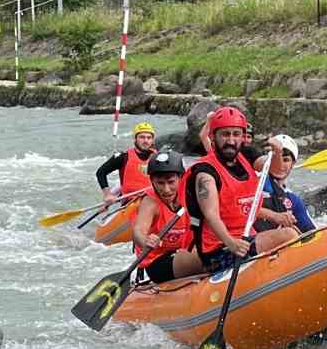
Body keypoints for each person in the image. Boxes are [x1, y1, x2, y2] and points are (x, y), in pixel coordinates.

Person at [186, 105, 298, 274]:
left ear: (243, 137)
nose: (231, 140)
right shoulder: (205, 173)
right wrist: (232, 243)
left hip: (245, 238)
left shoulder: (246, 156)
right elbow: (211, 215)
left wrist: (278, 151)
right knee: (288, 236)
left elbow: (274, 169)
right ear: (213, 137)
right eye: (225, 134)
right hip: (220, 249)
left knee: (292, 233)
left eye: (236, 134)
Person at [130, 151, 201, 284]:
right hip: (158, 262)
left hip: (183, 250)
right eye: (160, 183)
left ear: (181, 178)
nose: (166, 189)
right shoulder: (150, 202)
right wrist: (145, 241)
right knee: (205, 256)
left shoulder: (190, 194)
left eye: (171, 182)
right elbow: (138, 231)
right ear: (152, 181)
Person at [254, 133, 316, 235]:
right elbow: (258, 165)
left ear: (293, 164)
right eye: (277, 159)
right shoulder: (255, 182)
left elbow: (312, 232)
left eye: (286, 160)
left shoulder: (292, 199)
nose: (281, 164)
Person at [95, 121, 157, 203]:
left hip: (152, 200)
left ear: (152, 140)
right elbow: (101, 172)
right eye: (142, 137)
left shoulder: (158, 157)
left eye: (149, 138)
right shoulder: (123, 157)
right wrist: (108, 195)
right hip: (130, 202)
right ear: (135, 139)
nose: (146, 141)